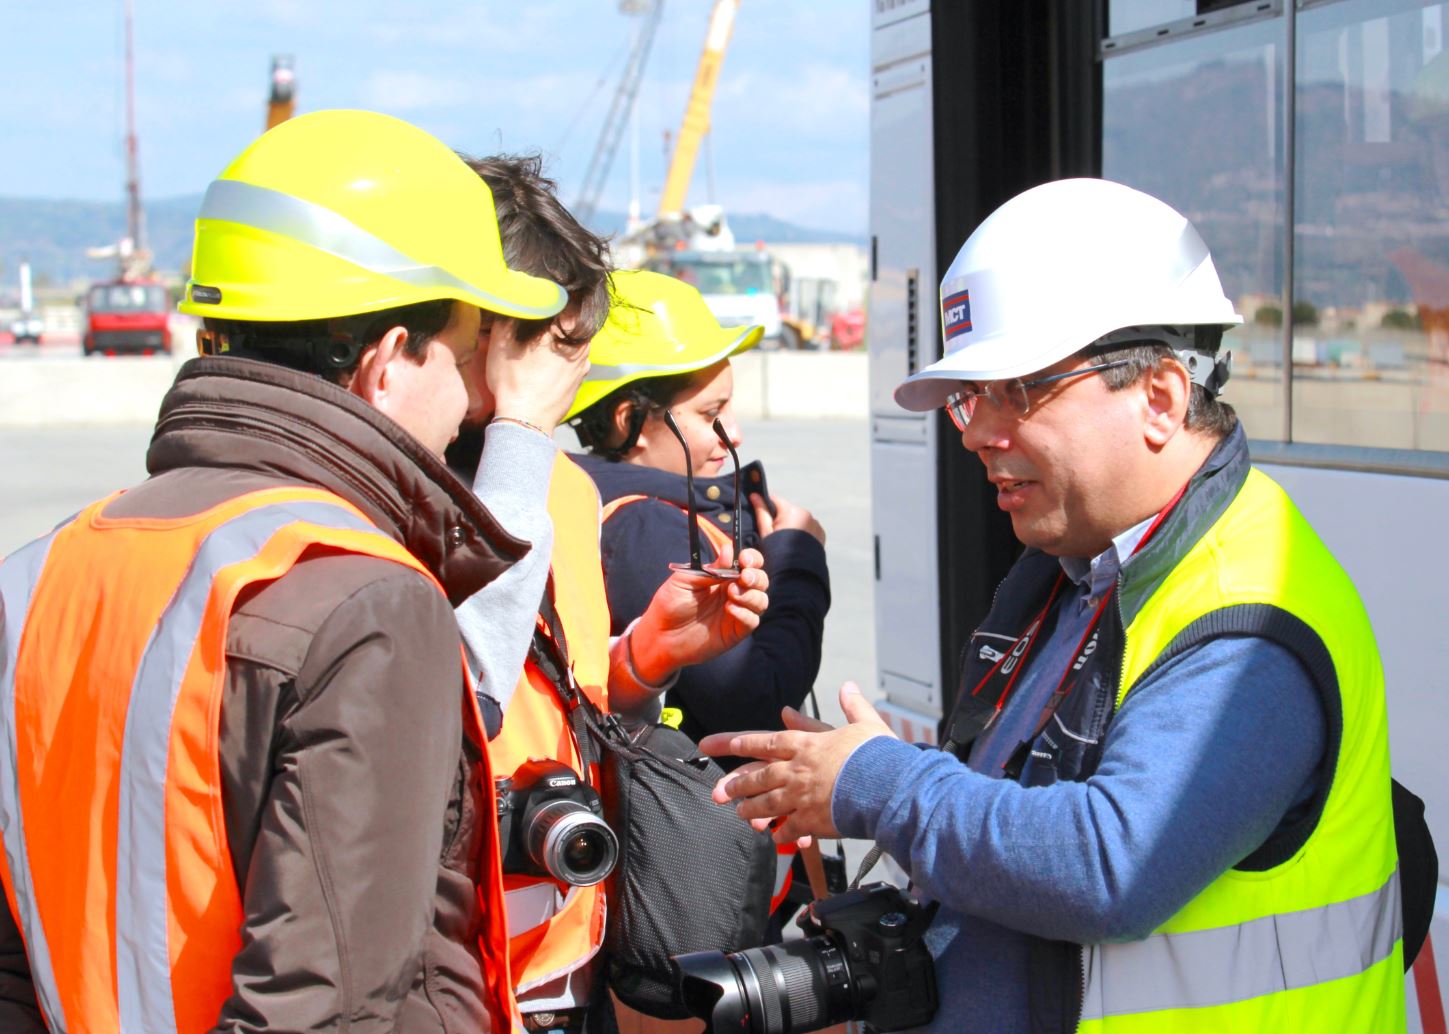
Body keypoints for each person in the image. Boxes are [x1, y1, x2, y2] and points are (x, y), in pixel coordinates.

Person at [705, 178, 1404, 1031]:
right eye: (970, 398)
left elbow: (1111, 867)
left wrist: (880, 784)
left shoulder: (1245, 617)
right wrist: (870, 777)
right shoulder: (1080, 573)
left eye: (1020, 390)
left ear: (1159, 398)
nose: (976, 432)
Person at [0, 110, 568, 1033]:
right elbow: (326, 1009)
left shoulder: (40, 574)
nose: (470, 401)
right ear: (388, 360)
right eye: (464, 359)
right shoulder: (363, 600)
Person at [444, 156, 772, 1032]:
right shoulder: (381, 497)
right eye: (554, 345)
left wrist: (645, 660)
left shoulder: (562, 488)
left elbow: (562, 703)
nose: (568, 375)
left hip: (563, 963)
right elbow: (450, 707)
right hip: (446, 974)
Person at [564, 269, 831, 753]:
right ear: (628, 421)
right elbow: (757, 701)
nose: (735, 434)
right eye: (712, 414)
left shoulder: (599, 503)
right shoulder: (645, 527)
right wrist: (799, 557)